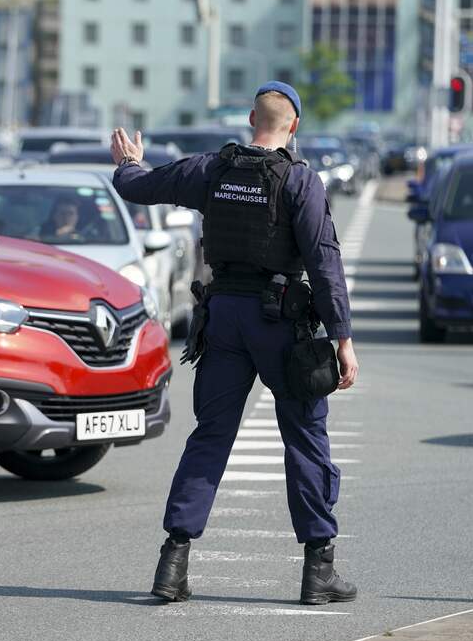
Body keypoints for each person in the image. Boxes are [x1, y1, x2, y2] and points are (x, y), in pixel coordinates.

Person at [110, 81, 359, 606]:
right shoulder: (300, 181)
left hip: (222, 320)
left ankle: (172, 564)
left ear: (251, 119)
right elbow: (324, 261)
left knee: (211, 435)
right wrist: (342, 338)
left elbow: (140, 187)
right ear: (294, 127)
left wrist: (128, 163)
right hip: (281, 323)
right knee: (306, 438)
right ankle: (319, 570)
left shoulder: (211, 169)